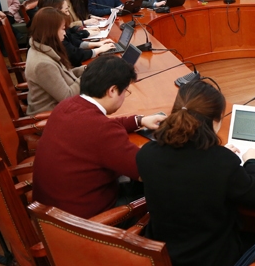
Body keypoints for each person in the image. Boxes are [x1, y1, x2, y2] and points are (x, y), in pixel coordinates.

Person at [137, 80, 255, 266]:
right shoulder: (222, 162)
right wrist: (252, 162)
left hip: (162, 256)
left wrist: (220, 156)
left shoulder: (146, 153)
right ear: (215, 121)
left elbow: (188, 170)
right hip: (212, 257)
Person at [32, 56, 166, 219]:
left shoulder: (67, 105)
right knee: (164, 189)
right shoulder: (102, 130)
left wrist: (139, 120)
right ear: (112, 91)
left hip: (52, 212)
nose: (124, 96)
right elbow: (146, 172)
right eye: (125, 91)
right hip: (84, 221)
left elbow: (101, 126)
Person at [25, 7, 85, 115]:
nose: (65, 33)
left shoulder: (42, 47)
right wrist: (89, 76)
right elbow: (67, 97)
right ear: (50, 31)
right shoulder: (42, 64)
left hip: (61, 109)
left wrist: (88, 69)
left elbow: (64, 75)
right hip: (51, 116)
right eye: (62, 29)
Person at [38, 0, 114, 66]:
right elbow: (75, 55)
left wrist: (97, 44)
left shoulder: (55, 30)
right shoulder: (54, 36)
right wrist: (99, 50)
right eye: (66, 10)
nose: (68, 14)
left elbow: (73, 40)